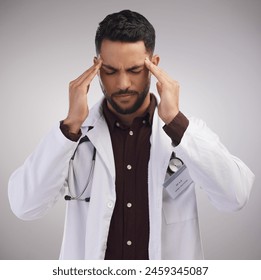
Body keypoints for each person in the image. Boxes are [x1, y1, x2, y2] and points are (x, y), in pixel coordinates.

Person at [8, 10, 255, 260]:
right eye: (111, 71)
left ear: (154, 65)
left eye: (135, 69)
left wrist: (175, 122)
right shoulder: (76, 137)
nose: (123, 83)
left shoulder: (184, 134)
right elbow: (25, 206)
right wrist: (71, 126)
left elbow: (235, 197)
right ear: (96, 68)